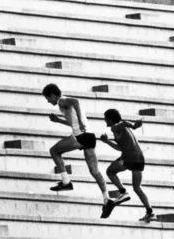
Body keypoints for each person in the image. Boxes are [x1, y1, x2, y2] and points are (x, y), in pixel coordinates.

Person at [42, 83, 123, 218]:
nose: (48, 101)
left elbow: (76, 101)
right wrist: (58, 120)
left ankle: (66, 182)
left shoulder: (62, 101)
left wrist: (80, 121)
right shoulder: (64, 105)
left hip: (80, 136)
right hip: (90, 136)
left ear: (53, 95)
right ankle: (107, 199)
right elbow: (72, 122)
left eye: (48, 98)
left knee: (54, 151)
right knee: (94, 171)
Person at [99, 109, 155, 223]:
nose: (105, 121)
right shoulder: (120, 130)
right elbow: (119, 147)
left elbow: (124, 123)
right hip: (139, 158)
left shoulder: (115, 127)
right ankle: (150, 212)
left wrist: (134, 126)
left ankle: (123, 191)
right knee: (137, 188)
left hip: (129, 157)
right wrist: (107, 141)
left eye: (106, 118)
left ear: (111, 119)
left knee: (110, 171)